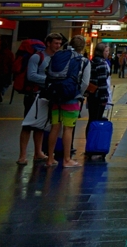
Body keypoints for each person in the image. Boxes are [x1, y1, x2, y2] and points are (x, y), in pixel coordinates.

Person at [17, 33, 63, 165]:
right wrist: (49, 80)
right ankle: (22, 155)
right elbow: (31, 75)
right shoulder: (37, 57)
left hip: (45, 95)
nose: (58, 46)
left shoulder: (56, 58)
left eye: (59, 44)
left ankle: (38, 152)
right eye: (55, 43)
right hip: (33, 94)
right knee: (27, 125)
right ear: (48, 43)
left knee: (40, 125)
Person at [45, 35, 91, 167]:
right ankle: (66, 160)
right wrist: (79, 94)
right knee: (68, 129)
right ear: (82, 47)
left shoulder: (59, 55)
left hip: (55, 95)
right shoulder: (83, 60)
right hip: (71, 97)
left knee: (55, 127)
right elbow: (85, 82)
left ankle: (50, 158)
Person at [86, 43, 111, 125]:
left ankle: (89, 137)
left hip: (91, 93)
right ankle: (94, 137)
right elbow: (102, 82)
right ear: (101, 52)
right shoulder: (101, 63)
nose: (108, 53)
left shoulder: (91, 61)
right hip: (99, 96)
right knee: (97, 120)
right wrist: (104, 98)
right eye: (106, 51)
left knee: (91, 119)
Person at [0, 38, 15, 104]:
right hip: (6, 72)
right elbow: (11, 63)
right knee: (6, 83)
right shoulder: (10, 54)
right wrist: (11, 71)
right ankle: (2, 92)